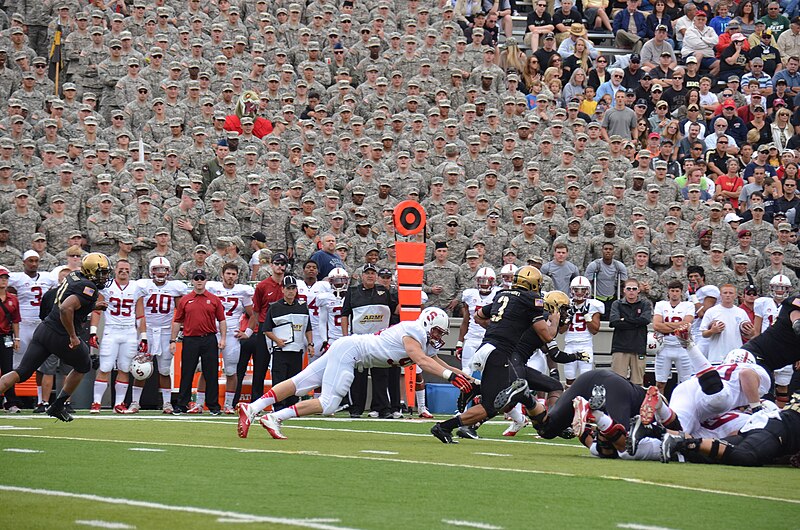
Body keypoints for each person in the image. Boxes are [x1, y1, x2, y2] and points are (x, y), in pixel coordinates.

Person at [237, 308, 471, 440]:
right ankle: (274, 417)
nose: (440, 337)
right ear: (428, 326)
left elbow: (436, 361)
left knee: (300, 382)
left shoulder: (424, 338)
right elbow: (421, 360)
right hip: (352, 351)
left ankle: (253, 408)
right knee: (328, 403)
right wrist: (450, 378)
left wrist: (466, 377)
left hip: (348, 347)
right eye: (438, 332)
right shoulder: (413, 331)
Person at [0, 253, 111, 422]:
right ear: (90, 271)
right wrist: (73, 336)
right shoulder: (89, 287)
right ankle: (58, 405)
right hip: (61, 334)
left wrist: (92, 305)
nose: (104, 277)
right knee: (84, 365)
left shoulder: (74, 276)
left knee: (21, 373)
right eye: (101, 273)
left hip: (44, 329)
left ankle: (56, 405)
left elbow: (66, 300)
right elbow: (66, 308)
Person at [661, 394, 800, 466]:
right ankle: (681, 442)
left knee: (711, 455)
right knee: (747, 456)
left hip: (764, 423)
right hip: (779, 428)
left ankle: (654, 430)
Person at [89, 259, 146, 414]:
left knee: (124, 368)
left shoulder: (136, 288)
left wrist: (144, 337)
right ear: (115, 270)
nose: (124, 271)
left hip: (129, 332)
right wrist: (93, 331)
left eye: (127, 269)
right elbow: (97, 310)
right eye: (121, 269)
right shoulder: (107, 287)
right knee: (105, 367)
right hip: (111, 330)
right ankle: (96, 402)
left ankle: (119, 403)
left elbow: (140, 315)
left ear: (130, 270)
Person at [133, 257, 189, 414]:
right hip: (148, 331)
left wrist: (178, 332)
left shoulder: (175, 288)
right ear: (151, 271)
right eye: (157, 269)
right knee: (141, 368)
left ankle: (167, 403)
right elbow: (138, 311)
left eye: (163, 269)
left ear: (168, 271)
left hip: (165, 332)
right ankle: (135, 402)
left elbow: (181, 312)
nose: (160, 272)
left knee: (164, 370)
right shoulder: (143, 286)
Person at [341, 263, 396, 418]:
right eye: (367, 273)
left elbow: (396, 310)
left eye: (373, 273)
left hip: (380, 341)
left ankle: (383, 408)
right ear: (361, 276)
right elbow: (344, 314)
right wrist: (346, 337)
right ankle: (356, 408)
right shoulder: (352, 292)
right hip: (359, 341)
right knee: (359, 376)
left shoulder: (384, 292)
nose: (370, 276)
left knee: (381, 375)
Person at [170, 267, 227, 415]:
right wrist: (172, 340)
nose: (199, 281)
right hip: (190, 339)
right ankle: (182, 404)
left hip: (209, 338)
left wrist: (223, 338)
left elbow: (221, 320)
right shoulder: (185, 300)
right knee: (187, 372)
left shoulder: (214, 299)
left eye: (202, 278)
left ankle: (213, 405)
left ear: (206, 281)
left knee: (211, 373)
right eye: (197, 279)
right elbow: (177, 321)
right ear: (192, 281)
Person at [8, 252, 56, 411]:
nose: (34, 264)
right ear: (23, 262)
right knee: (16, 365)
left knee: (43, 365)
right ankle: (11, 400)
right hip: (23, 325)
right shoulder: (18, 278)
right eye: (30, 261)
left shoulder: (48, 277)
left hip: (41, 324)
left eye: (36, 261)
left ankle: (42, 401)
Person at [206, 263, 254, 414]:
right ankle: (199, 403)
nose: (230, 277)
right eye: (228, 273)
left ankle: (228, 404)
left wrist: (247, 332)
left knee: (231, 371)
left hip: (232, 333)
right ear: (222, 274)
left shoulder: (242, 292)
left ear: (237, 276)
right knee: (207, 369)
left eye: (233, 274)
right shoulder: (212, 288)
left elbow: (253, 314)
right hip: (213, 331)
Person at [264, 275, 312, 410]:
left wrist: (310, 344)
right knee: (279, 380)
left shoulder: (302, 307)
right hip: (281, 350)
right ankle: (278, 406)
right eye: (288, 288)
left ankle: (292, 405)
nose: (291, 291)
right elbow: (266, 329)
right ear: (283, 289)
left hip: (296, 350)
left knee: (294, 380)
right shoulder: (275, 307)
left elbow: (307, 327)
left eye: (293, 288)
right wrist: (277, 340)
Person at [652, 280, 696, 393]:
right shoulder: (661, 305)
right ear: (668, 292)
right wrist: (677, 326)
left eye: (677, 291)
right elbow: (656, 325)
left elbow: (686, 325)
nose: (675, 293)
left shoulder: (688, 305)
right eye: (672, 291)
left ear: (681, 292)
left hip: (682, 347)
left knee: (686, 383)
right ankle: (660, 409)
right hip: (664, 347)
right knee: (660, 383)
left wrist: (665, 325)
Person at [455, 267, 499, 377]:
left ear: (493, 282)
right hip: (471, 337)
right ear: (476, 281)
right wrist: (459, 343)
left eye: (488, 281)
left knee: (489, 372)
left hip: (489, 339)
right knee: (466, 371)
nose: (484, 284)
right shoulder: (469, 295)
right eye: (481, 280)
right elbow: (465, 321)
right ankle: (465, 394)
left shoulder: (498, 295)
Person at [560, 276, 603, 386]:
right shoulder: (566, 304)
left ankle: (584, 402)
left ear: (588, 290)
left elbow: (594, 330)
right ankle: (570, 401)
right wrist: (568, 317)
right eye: (576, 290)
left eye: (583, 290)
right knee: (569, 378)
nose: (579, 293)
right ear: (571, 290)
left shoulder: (593, 305)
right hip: (570, 345)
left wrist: (586, 315)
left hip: (585, 346)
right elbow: (560, 330)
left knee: (586, 379)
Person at [609, 278, 653, 386]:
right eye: (629, 288)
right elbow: (614, 322)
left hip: (638, 347)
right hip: (620, 347)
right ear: (624, 290)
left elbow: (645, 320)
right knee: (617, 383)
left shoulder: (645, 304)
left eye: (634, 288)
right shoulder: (617, 304)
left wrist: (625, 319)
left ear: (638, 290)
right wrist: (636, 323)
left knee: (638, 383)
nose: (631, 291)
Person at [700, 284, 753, 363]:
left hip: (736, 357)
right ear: (720, 295)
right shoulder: (711, 311)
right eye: (725, 293)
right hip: (717, 357)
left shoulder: (741, 312)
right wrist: (712, 331)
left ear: (735, 295)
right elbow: (704, 333)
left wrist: (749, 332)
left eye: (731, 293)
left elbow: (750, 334)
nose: (728, 295)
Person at [0, 266, 20, 412]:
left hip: (6, 336)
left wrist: (17, 338)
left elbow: (15, 320)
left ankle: (11, 402)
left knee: (8, 369)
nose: (4, 281)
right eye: (1, 278)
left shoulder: (13, 299)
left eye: (5, 278)